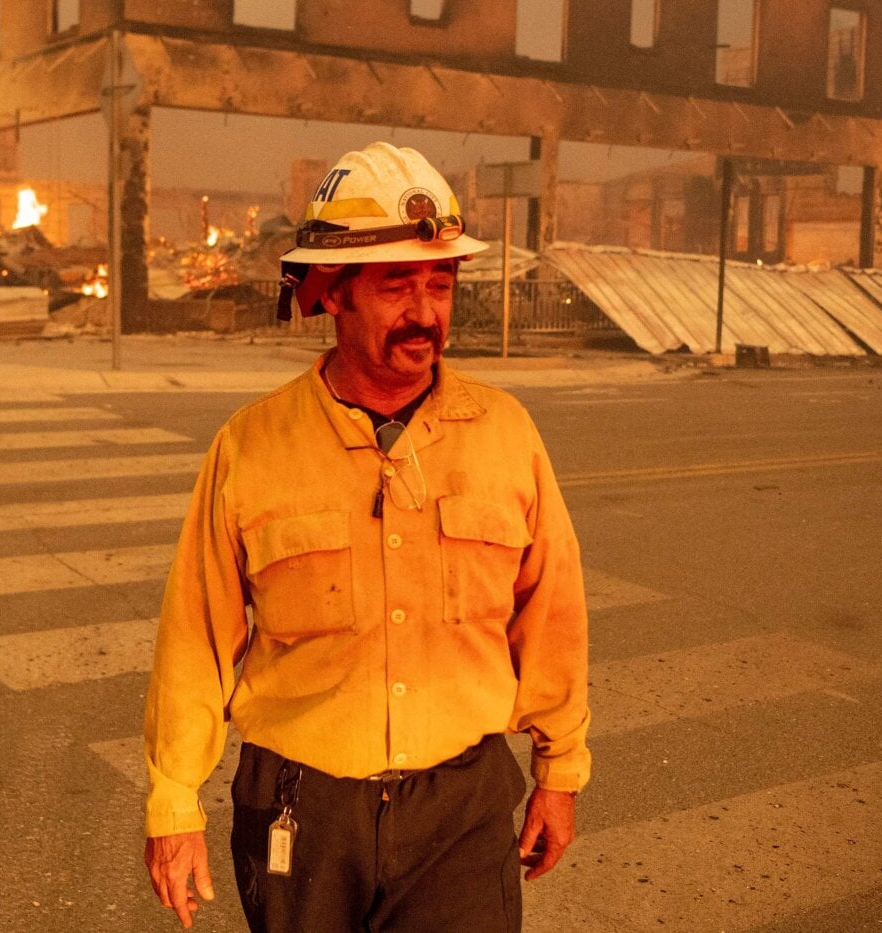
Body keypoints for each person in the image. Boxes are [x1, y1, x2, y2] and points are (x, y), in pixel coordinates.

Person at [141, 141, 591, 932]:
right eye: (397, 285)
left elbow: (552, 613)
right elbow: (195, 638)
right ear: (331, 293)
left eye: (440, 283)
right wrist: (174, 801)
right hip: (302, 813)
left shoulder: (505, 435)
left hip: (460, 810)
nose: (426, 312)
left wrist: (560, 767)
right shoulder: (251, 446)